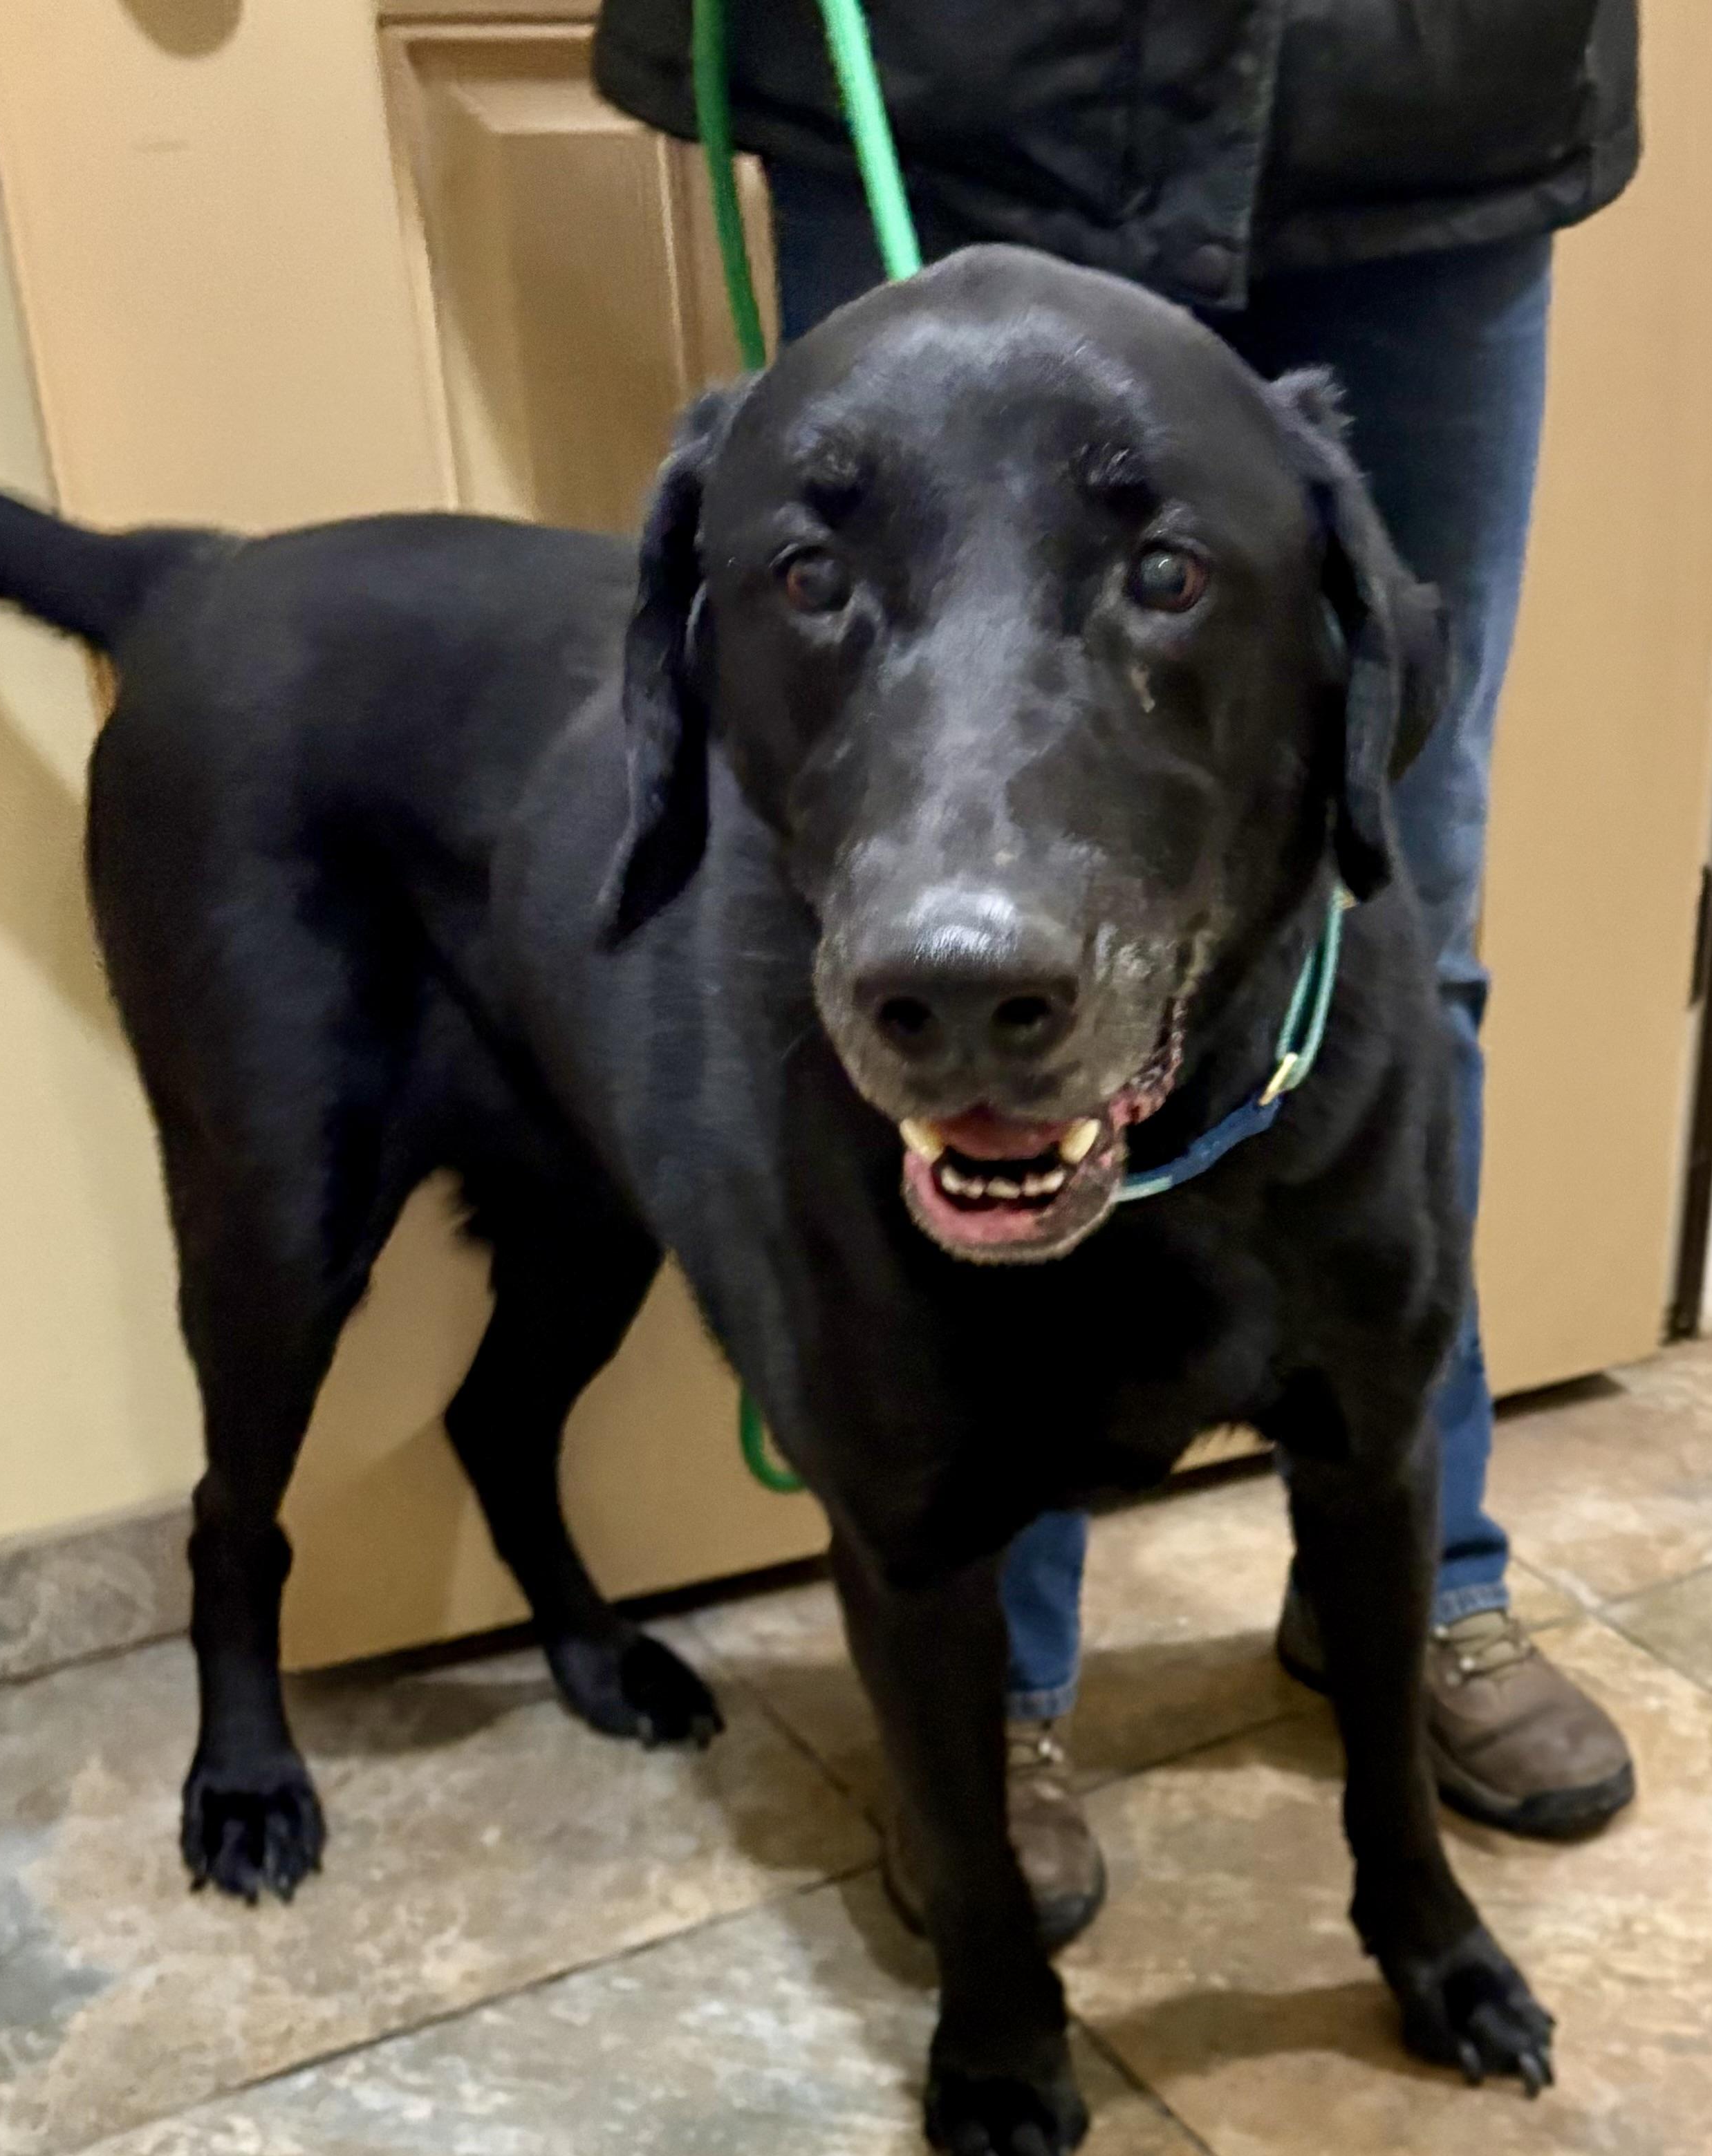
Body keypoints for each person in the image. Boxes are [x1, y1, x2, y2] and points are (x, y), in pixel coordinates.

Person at [595, 0, 1641, 1947]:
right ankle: (1000, 1682)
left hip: (1430, 92)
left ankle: (1415, 1572)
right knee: (903, 885)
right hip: (955, 57)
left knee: (1399, 898)